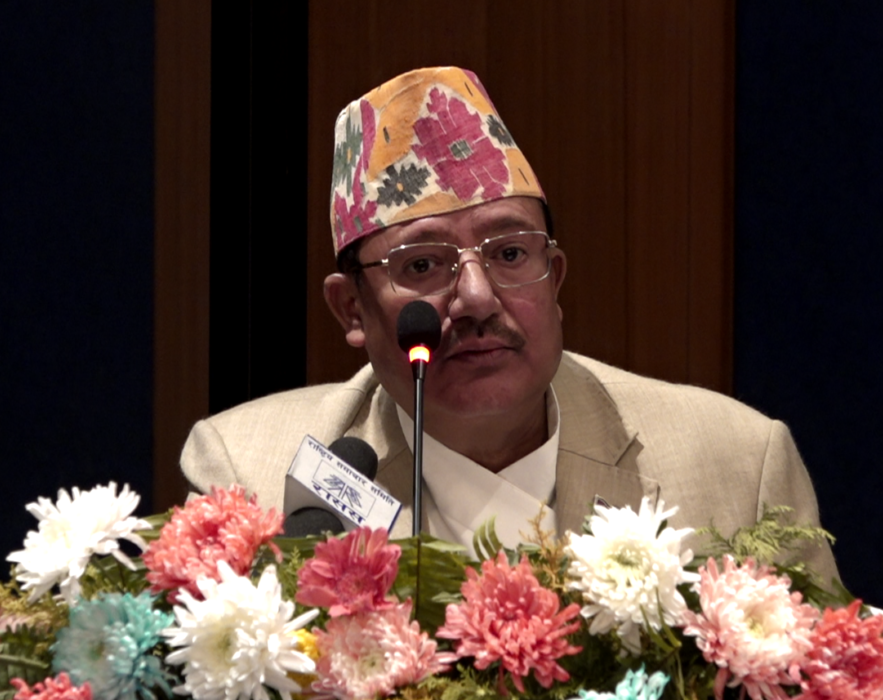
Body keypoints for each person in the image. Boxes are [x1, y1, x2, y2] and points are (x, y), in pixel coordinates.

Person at [181, 67, 838, 582]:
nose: (475, 298)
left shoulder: (739, 463)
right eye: (423, 265)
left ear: (555, 279)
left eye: (511, 254)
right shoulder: (246, 476)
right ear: (352, 309)